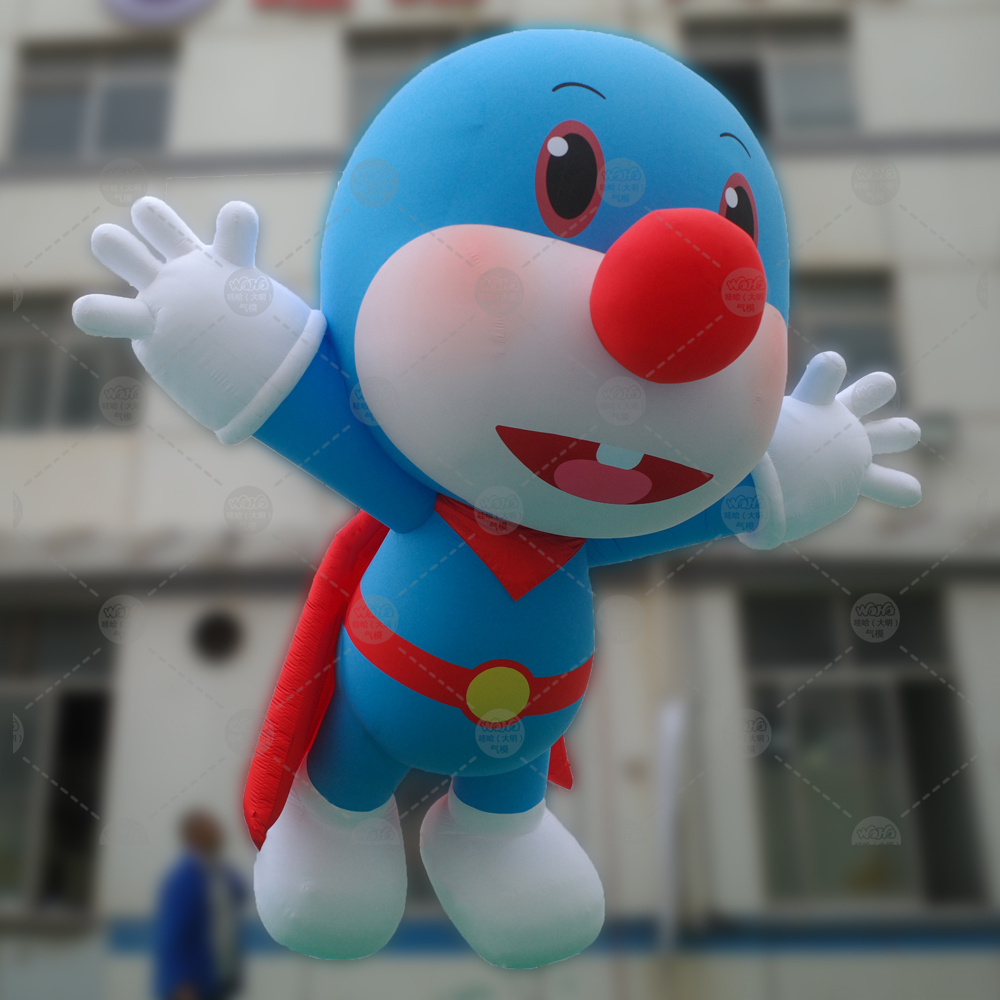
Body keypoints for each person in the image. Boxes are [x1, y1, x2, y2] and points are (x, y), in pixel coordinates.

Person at [154, 809, 247, 1000]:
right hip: (193, 986)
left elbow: (241, 894)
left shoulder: (218, 872)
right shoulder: (184, 878)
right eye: (211, 827)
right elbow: (175, 933)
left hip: (219, 980)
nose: (220, 832)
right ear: (197, 836)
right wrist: (182, 983)